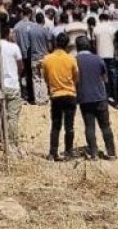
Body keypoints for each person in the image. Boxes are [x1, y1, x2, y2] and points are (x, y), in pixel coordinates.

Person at [76, 36, 118, 160]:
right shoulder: (98, 59)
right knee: (105, 126)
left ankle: (93, 153)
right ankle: (111, 152)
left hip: (84, 97)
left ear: (77, 47)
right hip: (100, 96)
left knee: (89, 126)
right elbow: (105, 77)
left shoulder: (75, 60)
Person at [40, 31, 79, 160]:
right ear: (67, 45)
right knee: (69, 126)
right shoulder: (71, 59)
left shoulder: (47, 59)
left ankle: (53, 152)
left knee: (56, 125)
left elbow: (45, 77)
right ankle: (68, 151)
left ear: (56, 43)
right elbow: (76, 77)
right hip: (69, 94)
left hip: (56, 95)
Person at [0, 28, 25, 153]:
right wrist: (16, 74)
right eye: (12, 33)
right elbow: (20, 66)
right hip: (12, 85)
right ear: (7, 34)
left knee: (3, 114)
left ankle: (3, 139)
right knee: (13, 116)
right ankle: (12, 143)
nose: (14, 35)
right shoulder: (14, 47)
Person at [93, 12, 118, 109]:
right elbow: (116, 43)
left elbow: (94, 44)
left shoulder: (96, 29)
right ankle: (115, 99)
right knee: (113, 78)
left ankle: (103, 97)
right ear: (107, 19)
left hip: (100, 55)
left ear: (100, 19)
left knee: (102, 78)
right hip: (111, 55)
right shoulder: (112, 29)